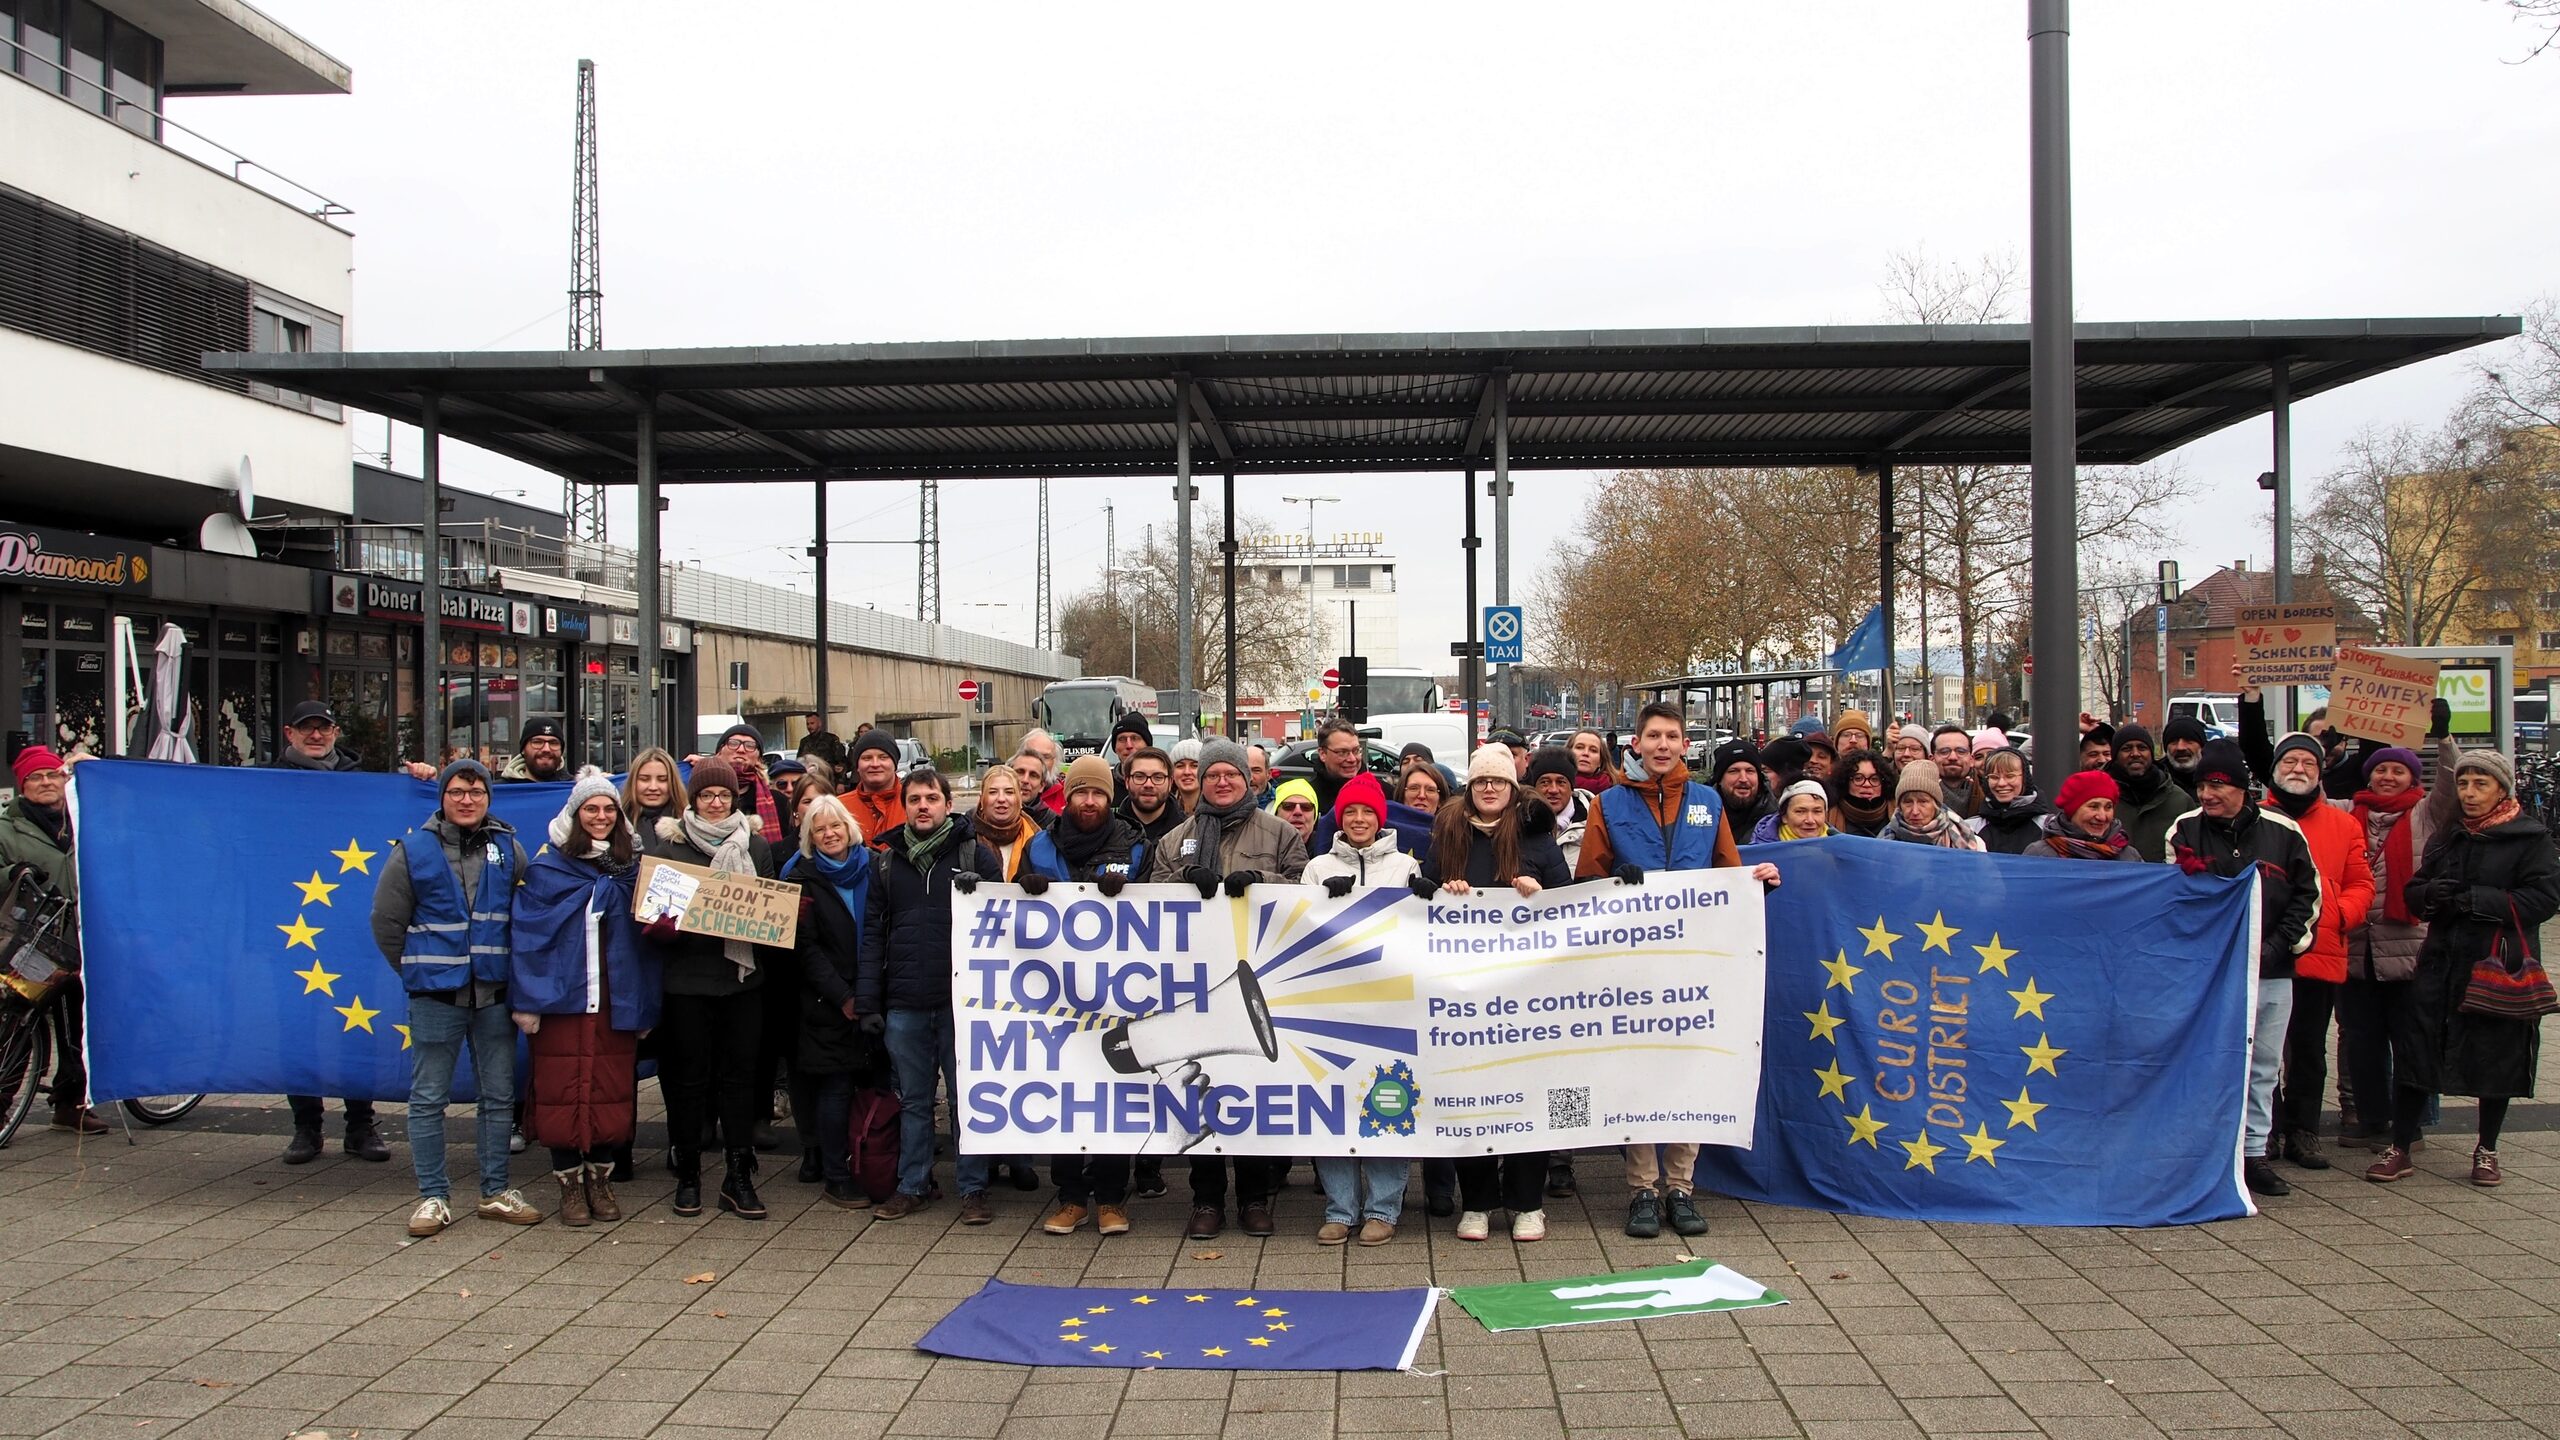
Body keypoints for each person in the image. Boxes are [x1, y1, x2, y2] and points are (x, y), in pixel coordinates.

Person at [1574, 702, 1778, 1240]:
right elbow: (1585, 880)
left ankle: (1680, 1187)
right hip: (1633, 960)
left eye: (1672, 736)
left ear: (1686, 745)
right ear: (1636, 745)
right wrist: (1616, 877)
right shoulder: (1608, 803)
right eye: (1653, 736)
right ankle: (1642, 1187)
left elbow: (1728, 872)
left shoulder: (1707, 802)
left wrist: (1757, 884)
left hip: (1694, 959)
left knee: (1690, 1066)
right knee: (1640, 1068)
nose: (1662, 745)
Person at [2367, 748, 2557, 1190]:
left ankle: (2487, 1148)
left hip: (2496, 962)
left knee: (2496, 1055)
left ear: (2502, 789)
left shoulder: (2530, 838)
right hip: (2439, 962)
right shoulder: (2449, 835)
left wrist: (2475, 900)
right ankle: (2401, 1145)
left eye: (2481, 784)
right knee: (2418, 1049)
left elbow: (2544, 900)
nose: (2470, 794)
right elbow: (2414, 893)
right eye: (2465, 783)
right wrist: (2433, 892)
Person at [1144, 737, 1307, 1239]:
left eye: (1231, 774)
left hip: (1260, 975)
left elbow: (1308, 889)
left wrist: (1256, 879)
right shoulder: (1177, 838)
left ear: (1248, 779)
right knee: (1203, 1092)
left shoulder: (1278, 831)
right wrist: (1184, 882)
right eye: (1213, 774)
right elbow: (1150, 893)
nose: (1221, 782)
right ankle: (1207, 1199)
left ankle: (1255, 1198)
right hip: (1198, 979)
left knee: (1250, 1088)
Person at [978, 755, 1147, 1235]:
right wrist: (1024, 891)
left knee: (1115, 1091)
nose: (1088, 801)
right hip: (1058, 997)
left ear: (1109, 799)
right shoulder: (1041, 847)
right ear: (1066, 796)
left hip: (1119, 993)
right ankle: (1071, 1196)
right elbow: (1013, 914)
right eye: (1080, 793)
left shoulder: (1134, 847)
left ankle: (1112, 1198)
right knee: (1067, 1090)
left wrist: (1130, 891)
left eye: (1097, 793)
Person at [372, 758, 539, 1236]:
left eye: (477, 791)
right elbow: (387, 923)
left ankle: (495, 1191)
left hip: (495, 996)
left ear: (489, 797)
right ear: (442, 797)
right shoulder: (413, 849)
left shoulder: (508, 848)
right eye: (458, 791)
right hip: (435, 998)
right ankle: (433, 1197)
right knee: (427, 1099)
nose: (467, 800)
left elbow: (529, 912)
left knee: (498, 1097)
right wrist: (418, 969)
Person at [1422, 744, 1573, 1243]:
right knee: (1472, 1096)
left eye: (1499, 781)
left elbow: (1570, 908)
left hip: (1527, 997)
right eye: (1482, 780)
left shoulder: (1537, 834)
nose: (1490, 788)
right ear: (1470, 787)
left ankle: (1528, 1203)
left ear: (1512, 788)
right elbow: (1420, 898)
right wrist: (1444, 890)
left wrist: (1538, 891)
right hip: (1465, 996)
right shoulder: (1447, 834)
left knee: (1527, 1096)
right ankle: (1479, 1202)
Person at [270, 698, 426, 1164]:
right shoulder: (267, 784)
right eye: (306, 729)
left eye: (324, 728)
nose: (315, 736)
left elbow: (445, 799)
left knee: (353, 1019)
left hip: (352, 921)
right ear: (289, 733)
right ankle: (306, 1125)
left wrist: (419, 780)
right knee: (296, 1024)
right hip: (290, 923)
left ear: (336, 733)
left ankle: (361, 1123)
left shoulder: (363, 782)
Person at [2166, 738, 2321, 1199]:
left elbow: (2307, 897)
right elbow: (2177, 897)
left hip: (2271, 972)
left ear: (2240, 786)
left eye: (2217, 785)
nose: (2207, 795)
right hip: (2209, 975)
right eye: (2201, 786)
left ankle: (2254, 1155)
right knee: (2206, 1061)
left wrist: (2275, 948)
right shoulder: (2184, 829)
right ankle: (2203, 1152)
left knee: (2264, 1066)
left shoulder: (2284, 830)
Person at [510, 770, 656, 1227]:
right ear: (575, 815)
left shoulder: (635, 869)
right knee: (561, 1092)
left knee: (610, 1092)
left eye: (608, 809)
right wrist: (528, 1000)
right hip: (562, 1000)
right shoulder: (547, 869)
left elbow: (646, 944)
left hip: (616, 998)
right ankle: (569, 1185)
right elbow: (528, 935)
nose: (600, 816)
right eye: (591, 809)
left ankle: (601, 1179)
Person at [2237, 706, 2376, 1175]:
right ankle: (2266, 1130)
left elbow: (2362, 883)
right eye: (2290, 763)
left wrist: (2339, 916)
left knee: (2310, 1046)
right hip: (2268, 952)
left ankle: (2304, 1129)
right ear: (2274, 771)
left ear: (2321, 772)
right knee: (2262, 1051)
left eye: (2309, 764)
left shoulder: (2343, 824)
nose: (2299, 770)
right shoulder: (2253, 819)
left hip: (2320, 951)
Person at [642, 757, 777, 1220]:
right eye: (706, 796)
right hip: (687, 982)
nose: (716, 803)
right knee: (688, 1082)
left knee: (740, 1081)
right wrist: (663, 923)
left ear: (734, 798)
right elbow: (651, 915)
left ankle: (738, 1177)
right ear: (693, 800)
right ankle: (689, 1174)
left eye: (723, 795)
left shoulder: (755, 846)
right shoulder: (670, 847)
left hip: (742, 982)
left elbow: (770, 908)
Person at [863, 767, 989, 1222]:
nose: (922, 806)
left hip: (961, 1004)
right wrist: (868, 1001)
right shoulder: (887, 860)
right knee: (915, 1101)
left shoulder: (975, 854)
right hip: (904, 1003)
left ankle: (973, 1189)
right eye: (914, 798)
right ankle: (912, 1184)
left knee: (966, 1099)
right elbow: (873, 936)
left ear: (947, 804)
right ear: (905, 805)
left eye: (931, 798)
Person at [1300, 770, 1416, 1245]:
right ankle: (1340, 1207)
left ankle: (1383, 1208)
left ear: (1381, 817)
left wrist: (1421, 895)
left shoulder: (1404, 866)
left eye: (1368, 810)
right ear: (1339, 818)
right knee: (1334, 1106)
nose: (1360, 818)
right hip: (1331, 1004)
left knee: (1387, 1102)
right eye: (1351, 811)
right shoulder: (1317, 867)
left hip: (1387, 1004)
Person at [2338, 708, 2459, 1151]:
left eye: (2398, 771)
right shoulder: (2349, 813)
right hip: (2357, 947)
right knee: (2363, 1041)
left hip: (2407, 948)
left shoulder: (2426, 815)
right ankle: (2371, 1119)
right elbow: (2301, 791)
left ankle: (2412, 1124)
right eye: (2381, 770)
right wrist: (2327, 750)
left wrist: (2443, 739)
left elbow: (2449, 785)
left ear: (2411, 778)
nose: (2388, 777)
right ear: (2369, 777)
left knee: (2411, 1037)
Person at [0, 747, 102, 1135]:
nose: (46, 783)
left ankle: (70, 1103)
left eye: (52, 775)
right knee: (16, 1026)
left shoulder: (83, 818)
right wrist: (13, 872)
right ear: (22, 786)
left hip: (82, 941)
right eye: (35, 778)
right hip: (30, 943)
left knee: (76, 1027)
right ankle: (2, 1103)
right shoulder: (6, 828)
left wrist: (96, 766)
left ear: (64, 780)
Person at [783, 794, 877, 1210]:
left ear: (849, 827)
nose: (829, 834)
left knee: (876, 1086)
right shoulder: (799, 879)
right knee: (835, 1089)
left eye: (835, 825)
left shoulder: (877, 867)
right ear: (809, 837)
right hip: (826, 1002)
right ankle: (837, 1176)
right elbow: (806, 949)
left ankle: (876, 1165)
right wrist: (841, 996)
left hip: (876, 993)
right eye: (818, 829)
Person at [2106, 723, 2192, 864]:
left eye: (2142, 747)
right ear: (2115, 756)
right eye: (2126, 749)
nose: (2135, 754)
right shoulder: (2099, 800)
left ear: (2151, 754)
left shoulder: (2179, 800)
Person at [2022, 770, 2141, 860]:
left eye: (2108, 807)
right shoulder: (2039, 854)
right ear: (2072, 811)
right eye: (2093, 806)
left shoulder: (2129, 856)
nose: (2102, 816)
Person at [1881, 760, 1984, 851]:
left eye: (1923, 802)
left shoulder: (1968, 840)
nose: (1915, 811)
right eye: (1908, 802)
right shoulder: (1883, 841)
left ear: (1936, 804)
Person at [1968, 749, 2052, 855]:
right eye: (1994, 777)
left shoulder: (2048, 826)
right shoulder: (1970, 828)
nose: (2001, 783)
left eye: (2010, 776)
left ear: (2025, 779)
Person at [1525, 747, 1593, 873]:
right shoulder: (1517, 824)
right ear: (1534, 788)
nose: (1553, 790)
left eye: (1561, 782)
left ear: (1571, 787)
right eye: (1545, 782)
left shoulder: (1595, 824)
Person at [971, 765, 1037, 882]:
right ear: (981, 800)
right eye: (993, 792)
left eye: (1009, 792)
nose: (1001, 799)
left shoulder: (1039, 841)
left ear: (1020, 799)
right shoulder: (965, 840)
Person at [842, 730, 907, 845]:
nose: (875, 764)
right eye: (867, 758)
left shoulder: (912, 803)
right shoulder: (839, 807)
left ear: (895, 764)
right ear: (857, 766)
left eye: (883, 757)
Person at [1828, 750, 1895, 838]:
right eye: (1858, 778)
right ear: (1846, 781)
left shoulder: (1897, 812)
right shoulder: (1829, 813)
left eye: (1874, 779)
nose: (1867, 784)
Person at [1708, 740, 1768, 838]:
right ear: (1719, 779)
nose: (1743, 779)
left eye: (1750, 771)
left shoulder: (1777, 817)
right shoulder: (1701, 816)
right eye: (1734, 771)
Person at [1309, 720, 1369, 813]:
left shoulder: (1384, 792)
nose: (1352, 759)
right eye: (1342, 752)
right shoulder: (1307, 798)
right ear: (1322, 754)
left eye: (1356, 750)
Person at [622, 748, 687, 832]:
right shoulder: (615, 824)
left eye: (662, 779)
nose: (653, 787)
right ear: (632, 782)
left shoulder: (691, 826)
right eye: (644, 779)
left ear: (674, 784)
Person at [1749, 779, 1834, 843]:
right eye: (1800, 812)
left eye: (1817, 811)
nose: (1810, 820)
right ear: (1784, 816)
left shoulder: (1840, 849)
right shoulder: (1760, 849)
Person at [1930, 725, 1982, 819]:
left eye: (1961, 751)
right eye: (1944, 751)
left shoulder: (1990, 794)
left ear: (1971, 759)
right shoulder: (1917, 795)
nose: (1953, 757)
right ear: (1932, 759)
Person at [498, 720, 569, 783]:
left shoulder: (574, 789)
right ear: (523, 749)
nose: (546, 749)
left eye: (553, 743)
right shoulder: (498, 793)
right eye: (537, 742)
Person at [1018, 728, 1066, 816]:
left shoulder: (1066, 796)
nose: (1040, 761)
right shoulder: (1004, 794)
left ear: (1054, 761)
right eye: (1033, 755)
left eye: (1046, 757)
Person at [2160, 715, 2208, 794]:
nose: (2180, 748)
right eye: (2174, 741)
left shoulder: (2218, 777)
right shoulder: (2154, 780)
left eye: (2188, 740)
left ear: (2201, 746)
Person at [1010, 746, 1057, 827]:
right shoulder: (987, 814)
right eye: (1020, 772)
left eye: (1033, 775)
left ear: (1042, 786)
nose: (1025, 780)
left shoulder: (1052, 823)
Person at [1271, 778, 1321, 844]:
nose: (1298, 812)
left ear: (1315, 816)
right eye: (1288, 806)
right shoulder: (1258, 847)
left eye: (1306, 807)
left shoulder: (1327, 849)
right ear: (1275, 813)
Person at [1568, 729, 1615, 794]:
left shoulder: (1616, 790)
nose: (1585, 753)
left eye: (1593, 750)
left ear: (1601, 761)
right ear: (1568, 752)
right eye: (1579, 747)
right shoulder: (1552, 785)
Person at [1169, 738, 1203, 814]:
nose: (1187, 772)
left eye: (1194, 766)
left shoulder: (1217, 808)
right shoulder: (1163, 808)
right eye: (1180, 766)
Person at [1245, 743, 1274, 809]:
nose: (1250, 778)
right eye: (1246, 771)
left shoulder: (1282, 804)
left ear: (1268, 774)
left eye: (1256, 771)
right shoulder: (1227, 803)